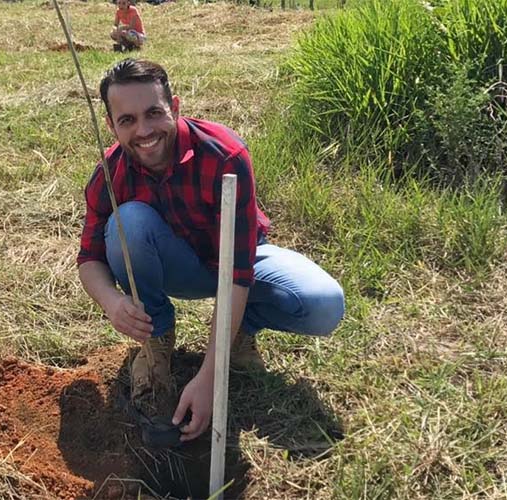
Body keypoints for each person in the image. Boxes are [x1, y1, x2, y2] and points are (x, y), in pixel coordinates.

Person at [77, 59, 344, 443]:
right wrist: (111, 302)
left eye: (154, 113)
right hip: (175, 267)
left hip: (238, 262)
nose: (144, 130)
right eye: (128, 120)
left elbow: (237, 273)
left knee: (323, 304)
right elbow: (89, 259)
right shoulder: (109, 173)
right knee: (127, 224)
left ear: (176, 107)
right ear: (111, 126)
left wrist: (210, 377)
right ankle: (157, 337)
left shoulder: (224, 156)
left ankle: (239, 334)